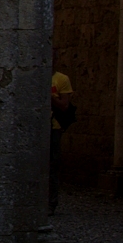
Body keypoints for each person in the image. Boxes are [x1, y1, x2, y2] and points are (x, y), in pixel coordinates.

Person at [49, 68, 77, 212]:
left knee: (52, 165)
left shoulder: (62, 79)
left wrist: (50, 96)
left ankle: (51, 203)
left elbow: (65, 105)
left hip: (54, 127)